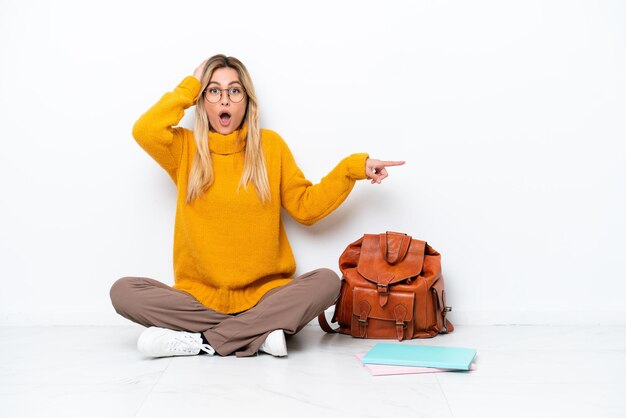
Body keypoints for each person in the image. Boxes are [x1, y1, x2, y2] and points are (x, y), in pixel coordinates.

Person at [110, 54, 404, 358]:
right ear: (202, 100)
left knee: (328, 283)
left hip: (266, 298)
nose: (224, 101)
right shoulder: (184, 149)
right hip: (198, 301)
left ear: (247, 101)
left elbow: (306, 208)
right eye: (213, 91)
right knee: (123, 291)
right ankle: (256, 335)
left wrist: (351, 168)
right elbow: (145, 130)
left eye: (234, 91)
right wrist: (189, 85)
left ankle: (203, 341)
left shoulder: (270, 146)